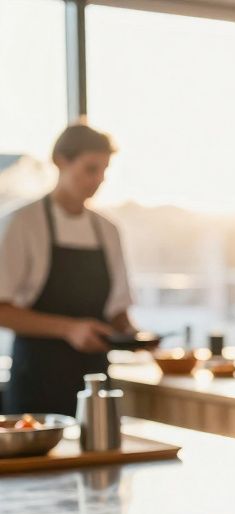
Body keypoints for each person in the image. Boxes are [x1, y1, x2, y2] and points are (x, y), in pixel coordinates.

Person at [0, 123, 135, 415]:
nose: (99, 179)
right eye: (90, 169)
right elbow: (2, 310)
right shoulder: (22, 224)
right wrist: (70, 329)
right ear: (61, 161)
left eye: (104, 170)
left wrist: (133, 336)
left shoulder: (107, 230)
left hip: (95, 381)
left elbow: (117, 312)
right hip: (37, 381)